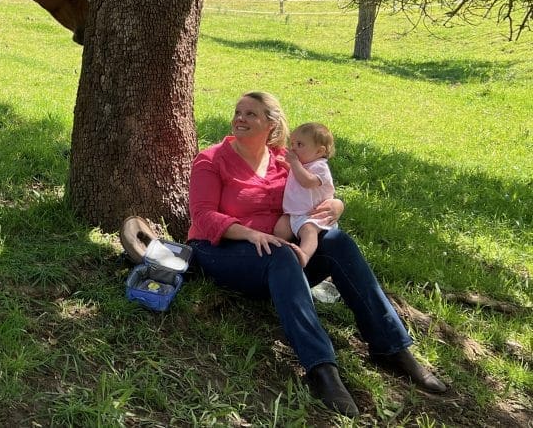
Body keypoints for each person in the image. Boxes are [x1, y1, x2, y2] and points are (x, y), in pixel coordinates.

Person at [187, 91, 447, 417]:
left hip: (276, 256)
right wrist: (252, 233)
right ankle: (321, 368)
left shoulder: (286, 161)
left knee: (338, 241)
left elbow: (316, 193)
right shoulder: (212, 160)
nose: (240, 118)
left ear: (271, 123)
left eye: (251, 114)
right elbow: (203, 216)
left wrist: (337, 204)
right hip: (221, 251)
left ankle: (392, 348)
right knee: (282, 254)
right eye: (238, 112)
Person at [274, 122, 336, 266]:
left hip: (312, 215)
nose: (293, 148)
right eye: (292, 143)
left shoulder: (320, 167)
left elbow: (308, 182)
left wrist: (294, 164)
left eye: (300, 145)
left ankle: (304, 255)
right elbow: (298, 176)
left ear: (319, 151)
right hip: (294, 213)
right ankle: (280, 254)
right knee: (280, 229)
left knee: (309, 231)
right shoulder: (303, 165)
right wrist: (288, 166)